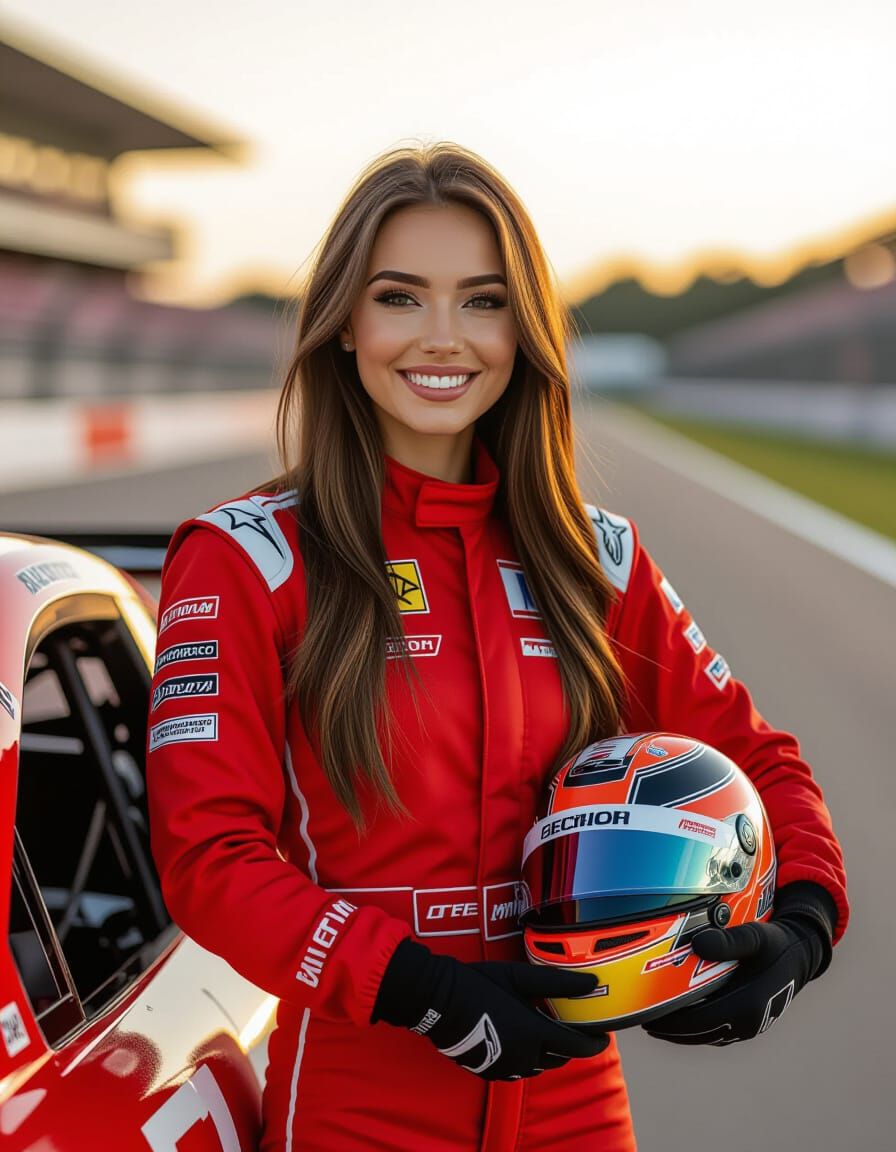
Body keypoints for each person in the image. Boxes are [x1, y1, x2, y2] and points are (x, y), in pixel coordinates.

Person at [146, 142, 849, 1151]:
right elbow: (209, 859)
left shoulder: (592, 557)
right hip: (360, 1091)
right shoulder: (247, 560)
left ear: (523, 329)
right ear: (345, 323)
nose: (443, 337)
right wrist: (418, 989)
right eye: (400, 297)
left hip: (573, 1092)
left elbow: (758, 759)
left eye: (481, 301)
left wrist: (804, 924)